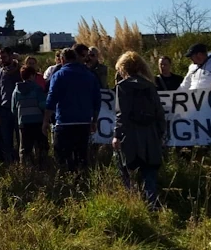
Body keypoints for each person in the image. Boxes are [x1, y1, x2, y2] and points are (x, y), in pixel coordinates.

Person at [111, 52, 166, 207]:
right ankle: (152, 204)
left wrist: (117, 135)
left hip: (130, 136)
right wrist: (159, 134)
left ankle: (134, 205)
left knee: (128, 172)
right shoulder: (150, 85)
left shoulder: (123, 87)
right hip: (151, 135)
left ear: (123, 68)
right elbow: (159, 113)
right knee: (149, 172)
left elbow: (122, 114)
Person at [44, 48, 101, 173]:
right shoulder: (89, 75)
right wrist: (94, 121)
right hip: (84, 122)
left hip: (64, 122)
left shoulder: (58, 75)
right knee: (81, 157)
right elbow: (97, 100)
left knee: (63, 158)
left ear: (62, 59)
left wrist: (45, 121)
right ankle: (82, 183)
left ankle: (67, 184)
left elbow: (51, 99)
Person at [11, 66, 48, 166]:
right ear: (31, 76)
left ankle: (25, 169)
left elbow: (13, 108)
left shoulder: (16, 91)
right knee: (41, 147)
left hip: (23, 122)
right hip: (37, 121)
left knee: (24, 149)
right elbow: (42, 105)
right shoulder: (37, 89)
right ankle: (42, 167)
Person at [0, 52, 22, 164]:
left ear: (11, 57)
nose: (2, 60)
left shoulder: (19, 70)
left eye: (4, 57)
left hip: (19, 110)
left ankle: (22, 163)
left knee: (21, 139)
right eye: (0, 58)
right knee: (6, 139)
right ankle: (9, 163)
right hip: (4, 110)